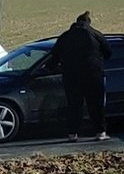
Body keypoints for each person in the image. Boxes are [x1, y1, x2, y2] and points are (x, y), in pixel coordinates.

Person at [46, 10, 112, 142]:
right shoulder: (96, 34)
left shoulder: (65, 36)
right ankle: (100, 132)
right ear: (88, 23)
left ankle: (72, 134)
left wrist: (48, 68)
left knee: (74, 105)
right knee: (96, 104)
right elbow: (109, 52)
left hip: (72, 76)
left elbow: (54, 56)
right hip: (93, 74)